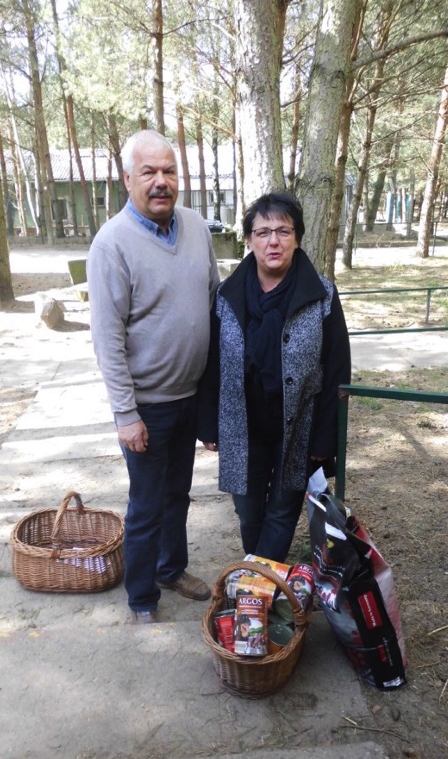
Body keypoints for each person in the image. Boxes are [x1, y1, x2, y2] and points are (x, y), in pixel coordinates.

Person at [87, 130, 220, 624]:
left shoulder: (196, 227)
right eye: (149, 172)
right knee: (146, 505)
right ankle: (142, 596)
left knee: (178, 495)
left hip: (190, 396)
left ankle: (171, 569)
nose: (161, 181)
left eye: (169, 171)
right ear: (128, 179)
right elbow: (107, 339)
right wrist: (126, 414)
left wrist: (211, 399)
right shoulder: (112, 244)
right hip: (145, 406)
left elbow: (213, 299)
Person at [198, 192, 351, 563]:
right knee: (247, 510)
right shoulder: (226, 295)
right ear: (249, 240)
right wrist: (209, 424)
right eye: (263, 232)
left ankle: (259, 580)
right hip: (242, 426)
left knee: (282, 510)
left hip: (299, 426)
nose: (273, 241)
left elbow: (337, 369)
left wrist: (325, 437)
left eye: (284, 231)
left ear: (297, 238)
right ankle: (261, 570)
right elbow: (212, 362)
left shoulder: (322, 294)